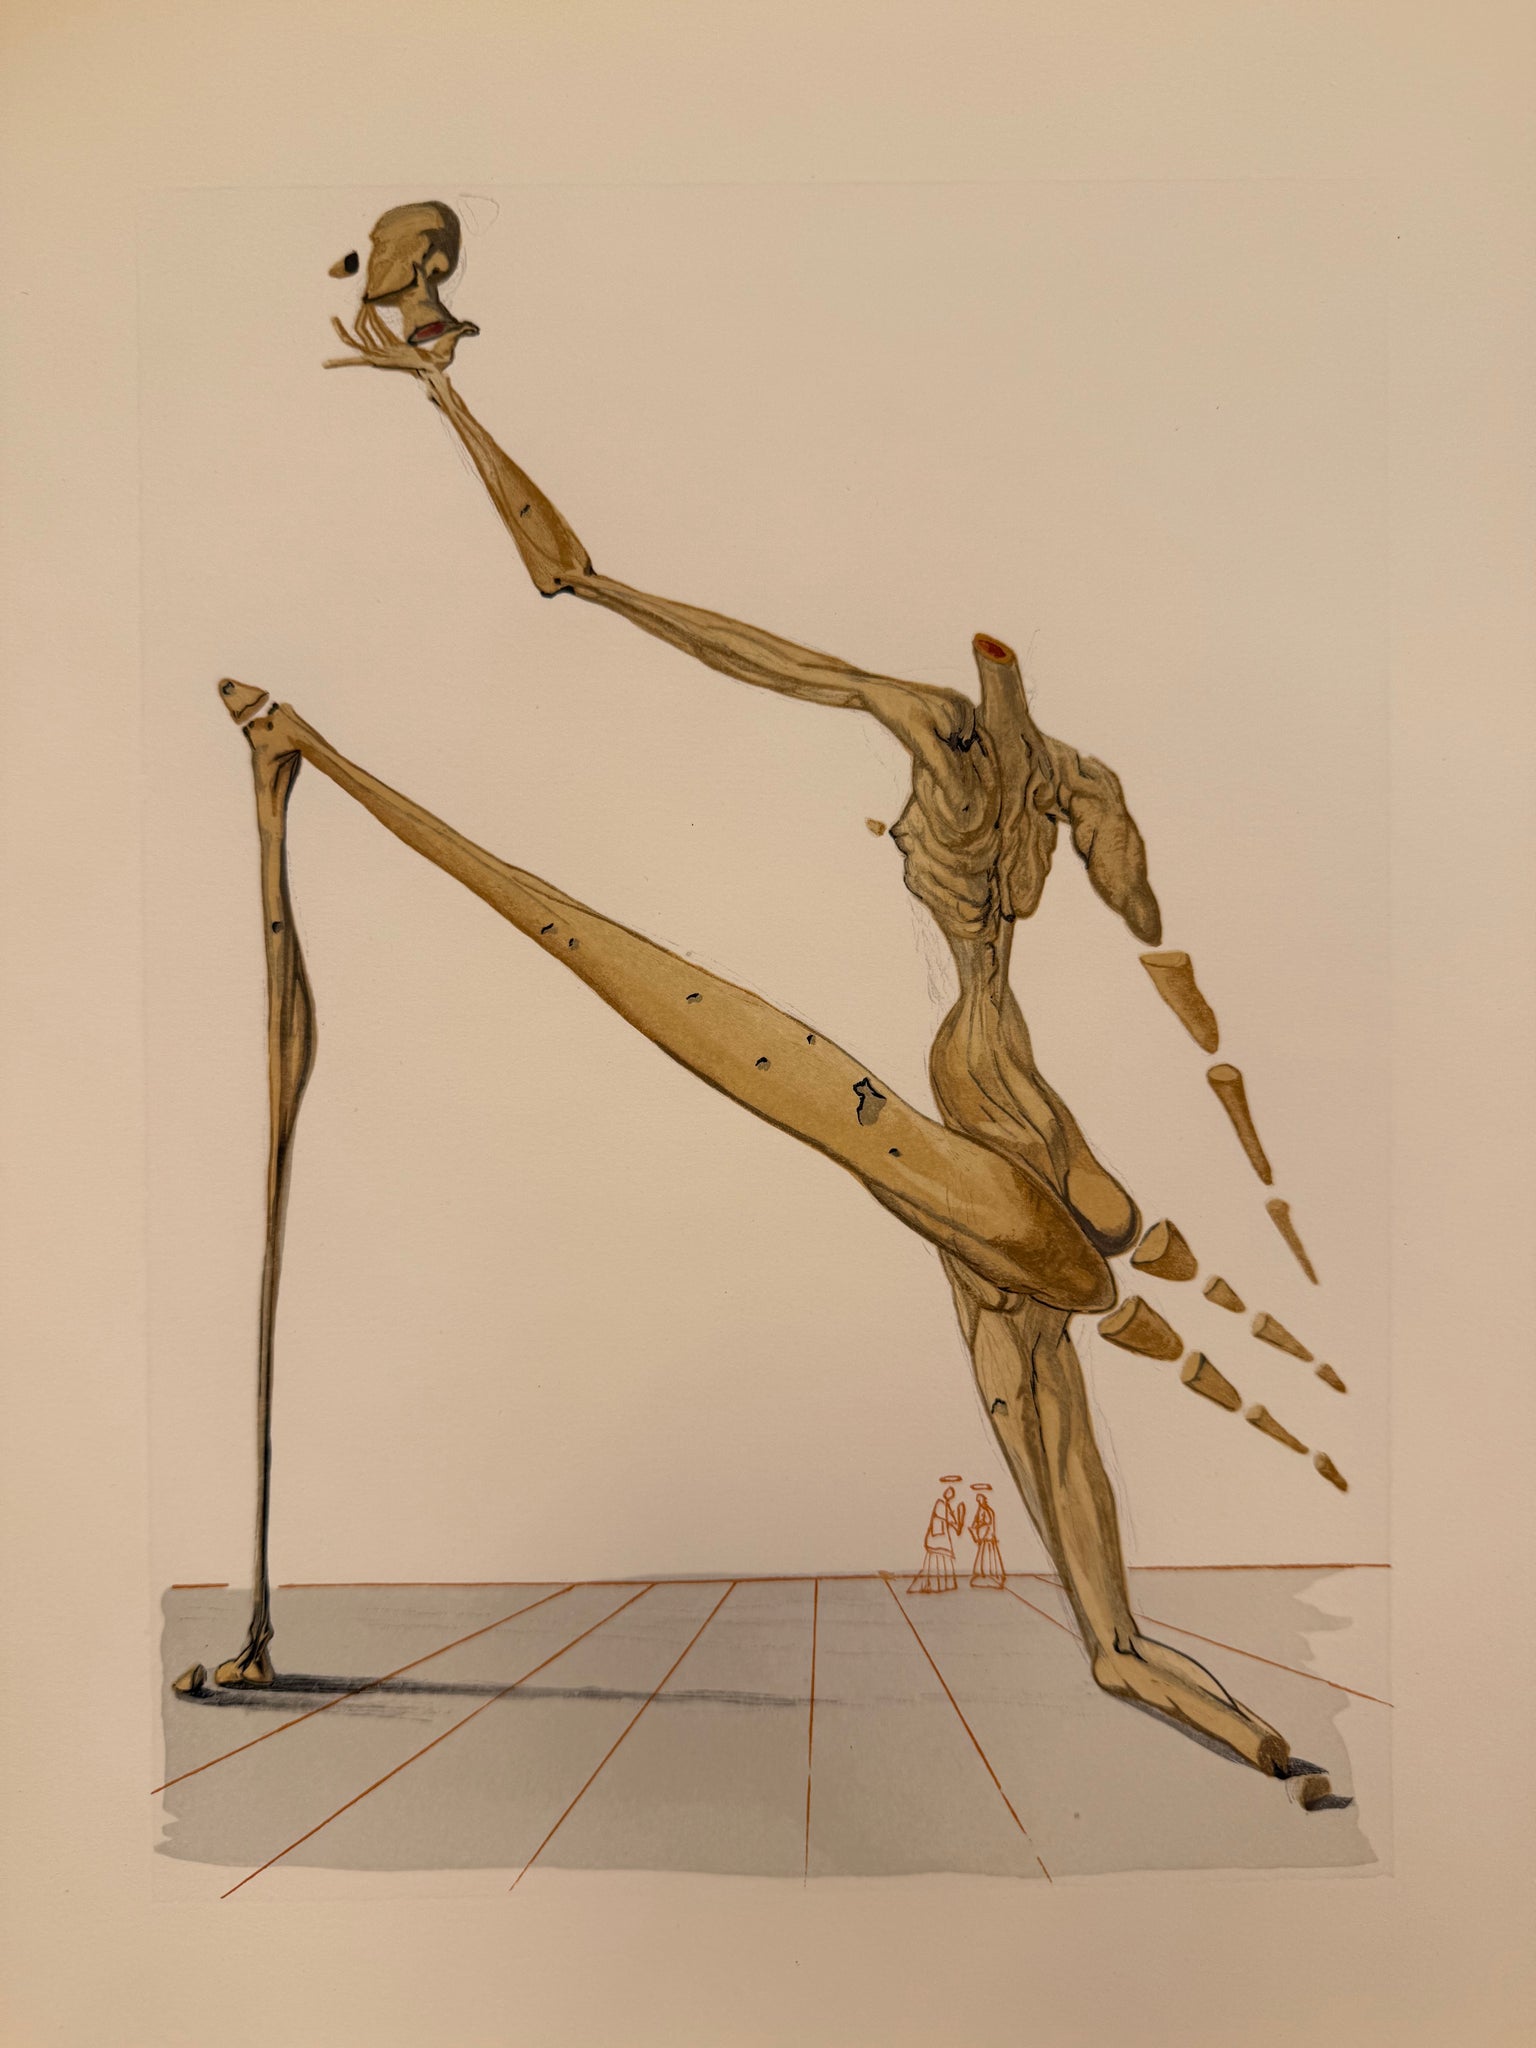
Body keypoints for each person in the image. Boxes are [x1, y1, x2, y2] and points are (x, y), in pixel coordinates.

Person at [324, 231, 1294, 1779]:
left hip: (980, 1107)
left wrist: (448, 405)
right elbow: (1138, 901)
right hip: (1018, 1098)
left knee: (1024, 1310)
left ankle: (1121, 1611)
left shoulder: (942, 726)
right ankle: (1119, 1639)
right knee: (1035, 1363)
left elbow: (596, 589)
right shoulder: (1064, 772)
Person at [908, 1479, 966, 1594]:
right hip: (937, 1538)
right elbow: (948, 1519)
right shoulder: (940, 1504)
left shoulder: (946, 1506)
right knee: (935, 1559)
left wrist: (959, 1522)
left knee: (942, 1559)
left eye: (951, 1492)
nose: (949, 1494)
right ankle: (932, 1585)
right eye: (948, 1491)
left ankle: (942, 1585)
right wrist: (956, 1522)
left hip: (942, 1538)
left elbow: (954, 1524)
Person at [968, 1483, 1006, 1589]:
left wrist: (977, 1526)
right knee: (986, 1555)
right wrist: (975, 1527)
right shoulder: (982, 1510)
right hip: (986, 1535)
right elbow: (978, 1520)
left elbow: (986, 1521)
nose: (983, 1502)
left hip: (987, 1535)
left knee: (988, 1554)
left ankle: (991, 1575)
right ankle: (985, 1574)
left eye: (982, 1500)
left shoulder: (986, 1510)